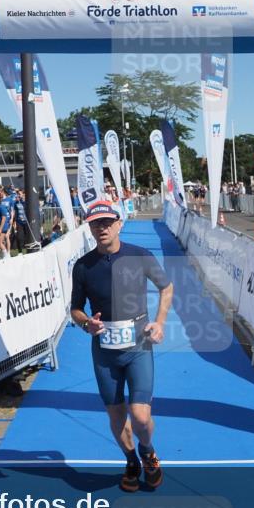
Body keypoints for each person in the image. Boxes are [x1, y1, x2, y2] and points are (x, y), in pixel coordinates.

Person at [70, 201, 174, 492]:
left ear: (119, 224)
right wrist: (86, 323)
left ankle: (147, 451)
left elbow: (166, 287)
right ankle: (130, 460)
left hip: (138, 346)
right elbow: (75, 309)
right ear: (89, 228)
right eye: (95, 224)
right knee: (116, 415)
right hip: (104, 352)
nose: (101, 228)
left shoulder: (140, 256)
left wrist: (160, 322)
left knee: (141, 417)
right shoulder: (83, 266)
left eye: (106, 223)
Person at [0, 188, 12, 258]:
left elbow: (4, 218)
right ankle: (3, 255)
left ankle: (6, 255)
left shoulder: (2, 207)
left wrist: (0, 229)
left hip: (2, 227)